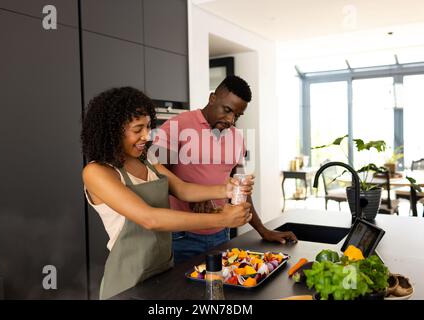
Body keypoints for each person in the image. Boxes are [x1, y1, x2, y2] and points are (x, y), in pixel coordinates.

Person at [81, 87, 254, 299]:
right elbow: (150, 218)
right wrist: (222, 218)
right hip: (128, 281)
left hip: (163, 270)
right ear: (113, 129)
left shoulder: (147, 160)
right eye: (138, 129)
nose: (147, 135)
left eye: (148, 127)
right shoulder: (97, 172)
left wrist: (224, 189)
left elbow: (182, 189)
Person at [152, 75, 297, 265]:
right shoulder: (177, 126)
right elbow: (156, 178)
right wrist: (191, 197)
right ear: (213, 98)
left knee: (220, 289)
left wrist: (263, 230)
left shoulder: (237, 137)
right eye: (227, 110)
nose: (230, 120)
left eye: (237, 115)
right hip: (181, 237)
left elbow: (240, 189)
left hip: (222, 232)